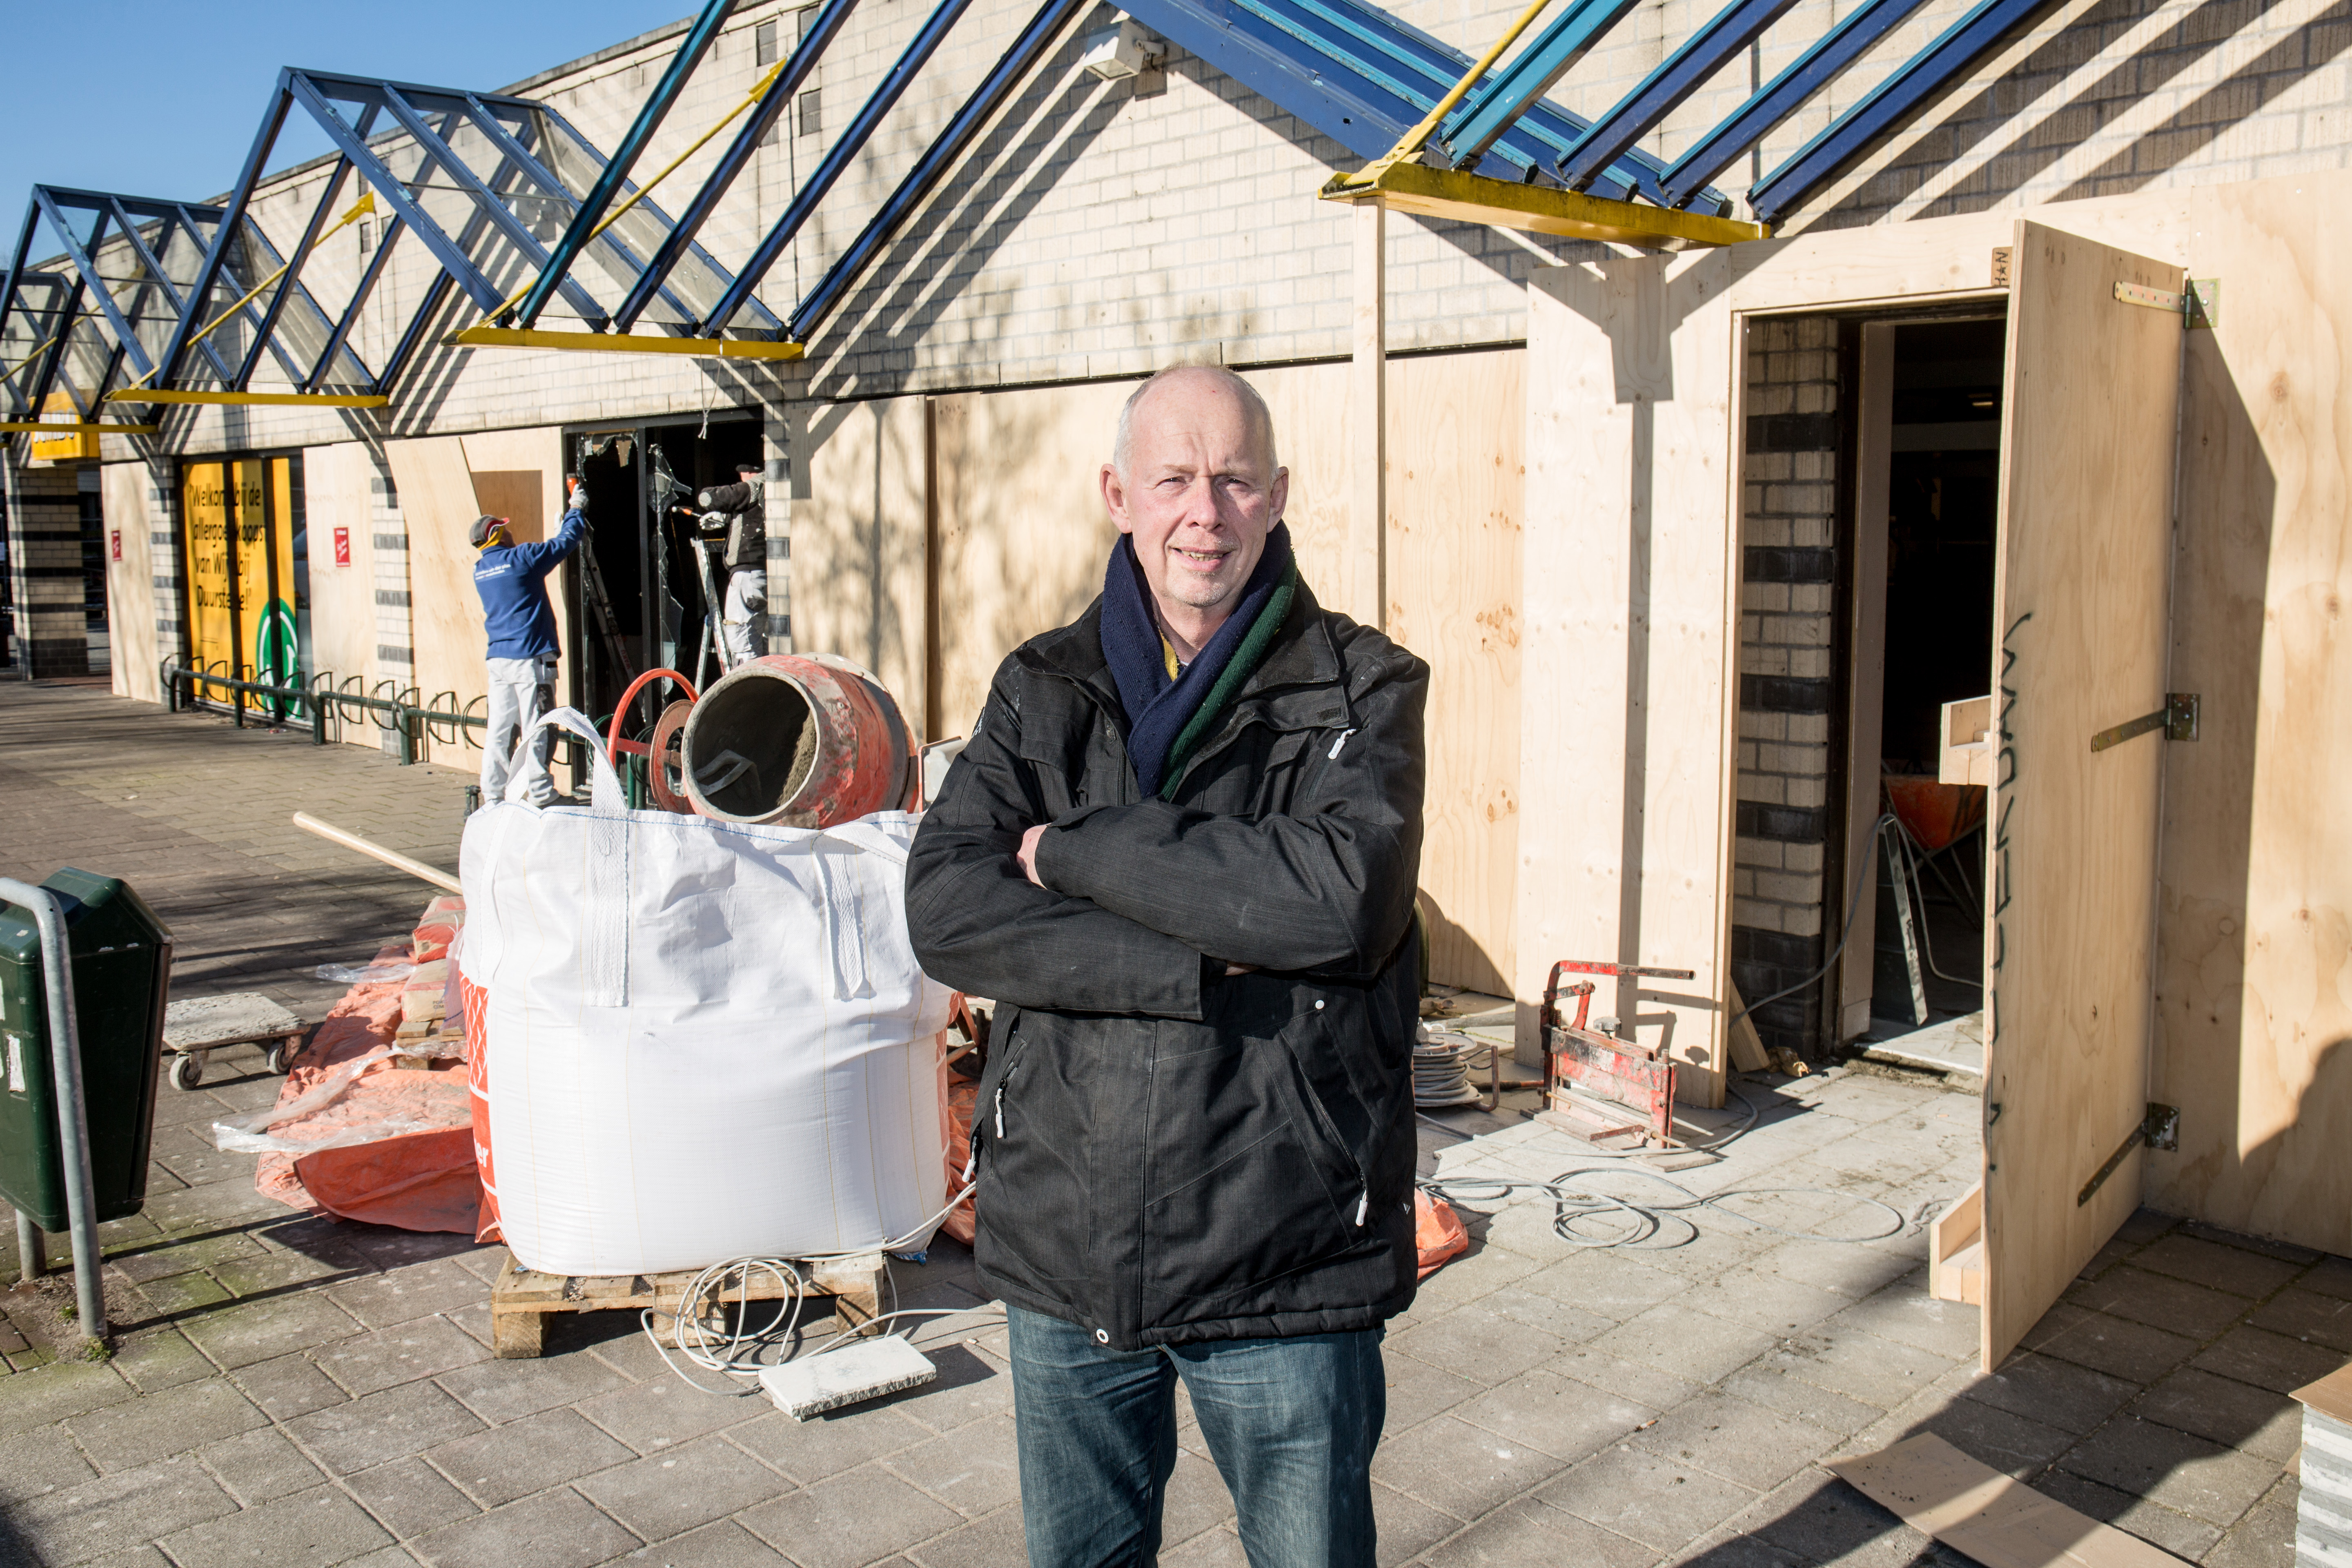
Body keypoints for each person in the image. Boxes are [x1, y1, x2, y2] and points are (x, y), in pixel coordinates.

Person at [904, 365, 1429, 1568]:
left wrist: (1072, 845)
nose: (1207, 510)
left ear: (1278, 493)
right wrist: (1205, 958)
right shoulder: (1043, 689)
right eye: (1175, 479)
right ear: (1117, 493)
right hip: (1066, 1237)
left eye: (1236, 479)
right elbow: (948, 909)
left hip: (1284, 1245)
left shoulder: (1364, 689)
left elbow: (1342, 900)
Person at [471, 483, 587, 807]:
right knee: (540, 726)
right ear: (497, 536)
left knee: (500, 730)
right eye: (505, 530)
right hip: (530, 659)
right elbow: (566, 543)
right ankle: (541, 794)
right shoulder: (521, 559)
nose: (511, 534)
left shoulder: (480, 570)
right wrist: (576, 507)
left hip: (498, 659)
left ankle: (493, 797)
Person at [695, 461, 766, 667]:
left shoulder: (757, 485)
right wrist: (728, 518)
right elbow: (754, 516)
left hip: (748, 576)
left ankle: (750, 691)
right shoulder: (774, 491)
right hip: (760, 576)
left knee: (743, 641)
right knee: (759, 640)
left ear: (747, 472)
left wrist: (724, 508)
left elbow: (708, 498)